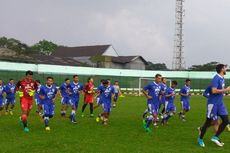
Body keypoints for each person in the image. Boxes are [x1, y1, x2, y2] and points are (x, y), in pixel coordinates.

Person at [198, 64, 230, 147]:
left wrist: (225, 91)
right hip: (213, 104)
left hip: (220, 103)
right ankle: (200, 138)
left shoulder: (222, 78)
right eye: (224, 68)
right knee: (209, 122)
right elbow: (214, 90)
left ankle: (215, 137)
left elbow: (219, 91)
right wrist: (226, 89)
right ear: (221, 69)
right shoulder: (216, 78)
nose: (226, 69)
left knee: (226, 120)